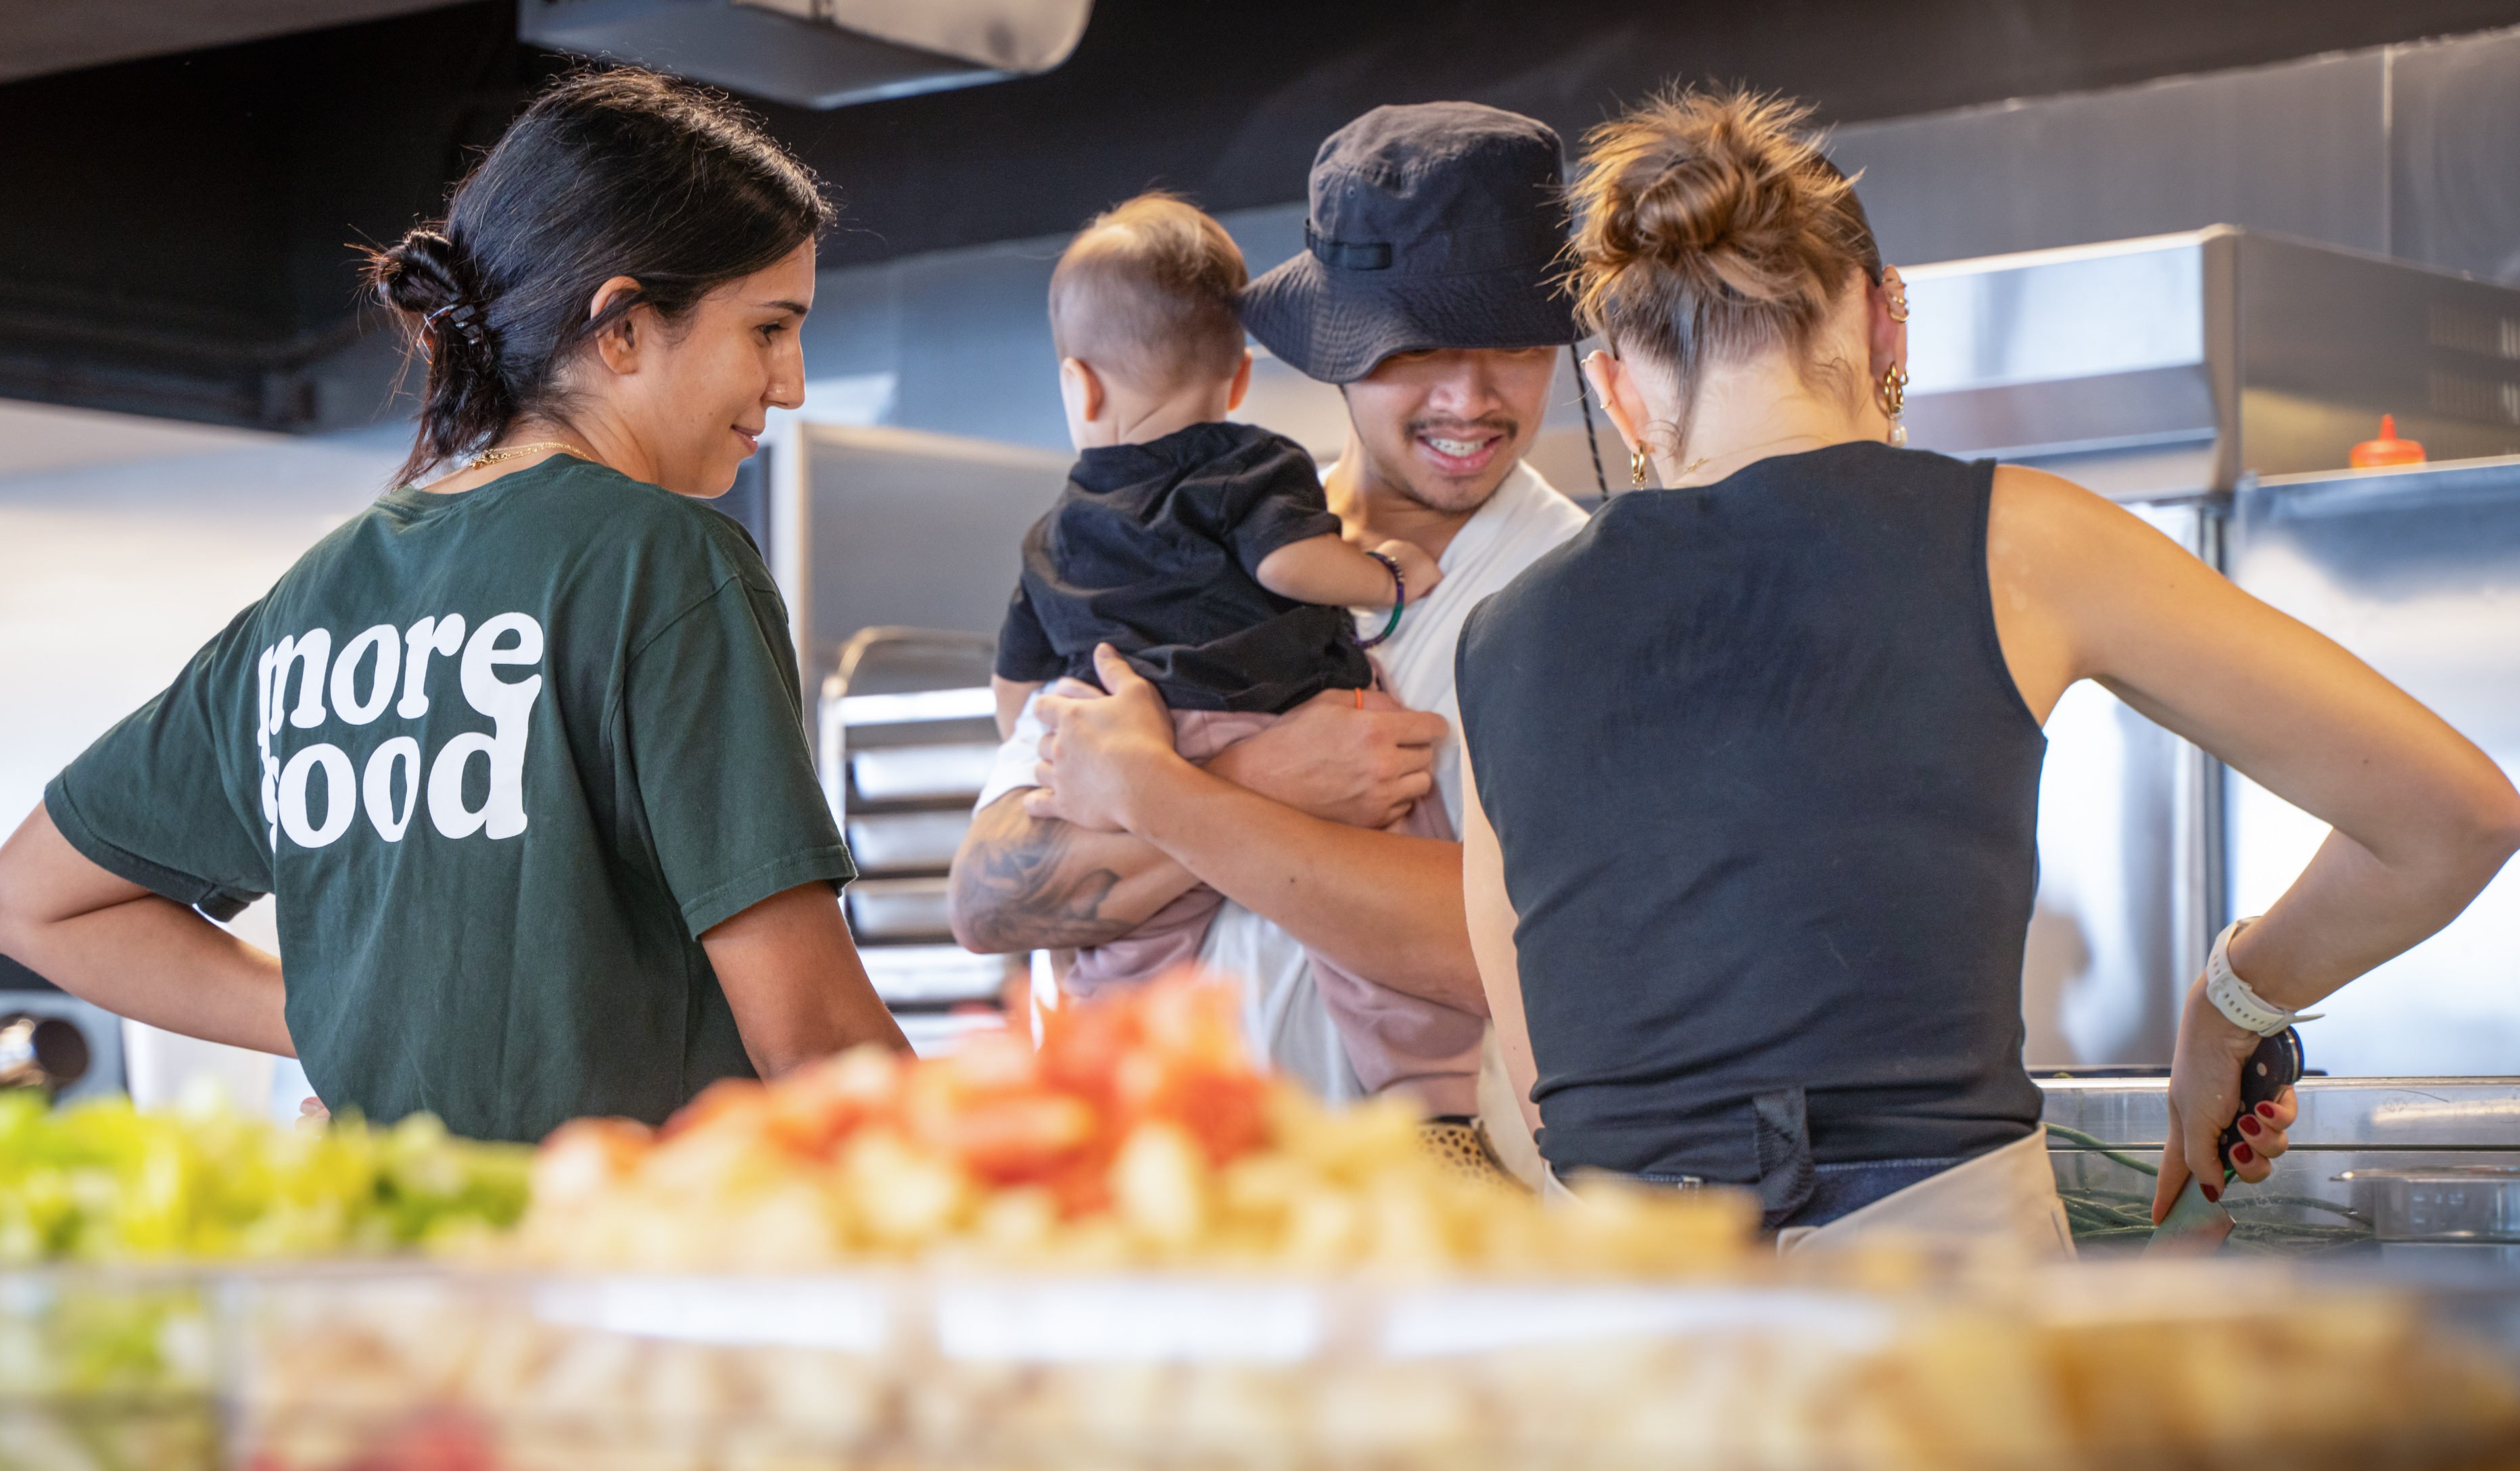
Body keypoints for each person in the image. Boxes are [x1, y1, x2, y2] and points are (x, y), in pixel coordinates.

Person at [1459, 87, 2520, 1247]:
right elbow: (2453, 816)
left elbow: (1543, 1090)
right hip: (1947, 1305)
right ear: (1886, 323)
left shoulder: (1499, 637)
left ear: (1617, 391)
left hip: (1620, 1322)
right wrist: (2233, 1005)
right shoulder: (2019, 538)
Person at [0, 70, 905, 1145]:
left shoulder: (319, 596)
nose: (790, 383)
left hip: (390, 1262)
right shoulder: (665, 561)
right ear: (622, 327)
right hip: (617, 1274)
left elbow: (28, 900)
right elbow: (816, 1041)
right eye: (770, 329)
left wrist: (358, 1023)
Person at [951, 102, 1590, 1139]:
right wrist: (1264, 778)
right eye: (1419, 348)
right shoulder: (1158, 549)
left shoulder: (1577, 591)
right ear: (1338, 348)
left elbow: (1534, 953)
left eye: (1517, 347)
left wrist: (1157, 795)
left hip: (1421, 1242)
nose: (1472, 396)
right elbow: (987, 900)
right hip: (1156, 1228)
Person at [996, 191, 1481, 1111]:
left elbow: (1017, 685)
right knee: (1390, 891)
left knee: (1123, 966)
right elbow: (1294, 564)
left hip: (1148, 737)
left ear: (1080, 386)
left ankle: (1140, 1095)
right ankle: (1432, 1093)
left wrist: (1062, 755)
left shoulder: (1053, 533)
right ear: (1242, 376)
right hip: (1289, 703)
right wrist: (1385, 576)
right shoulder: (1256, 462)